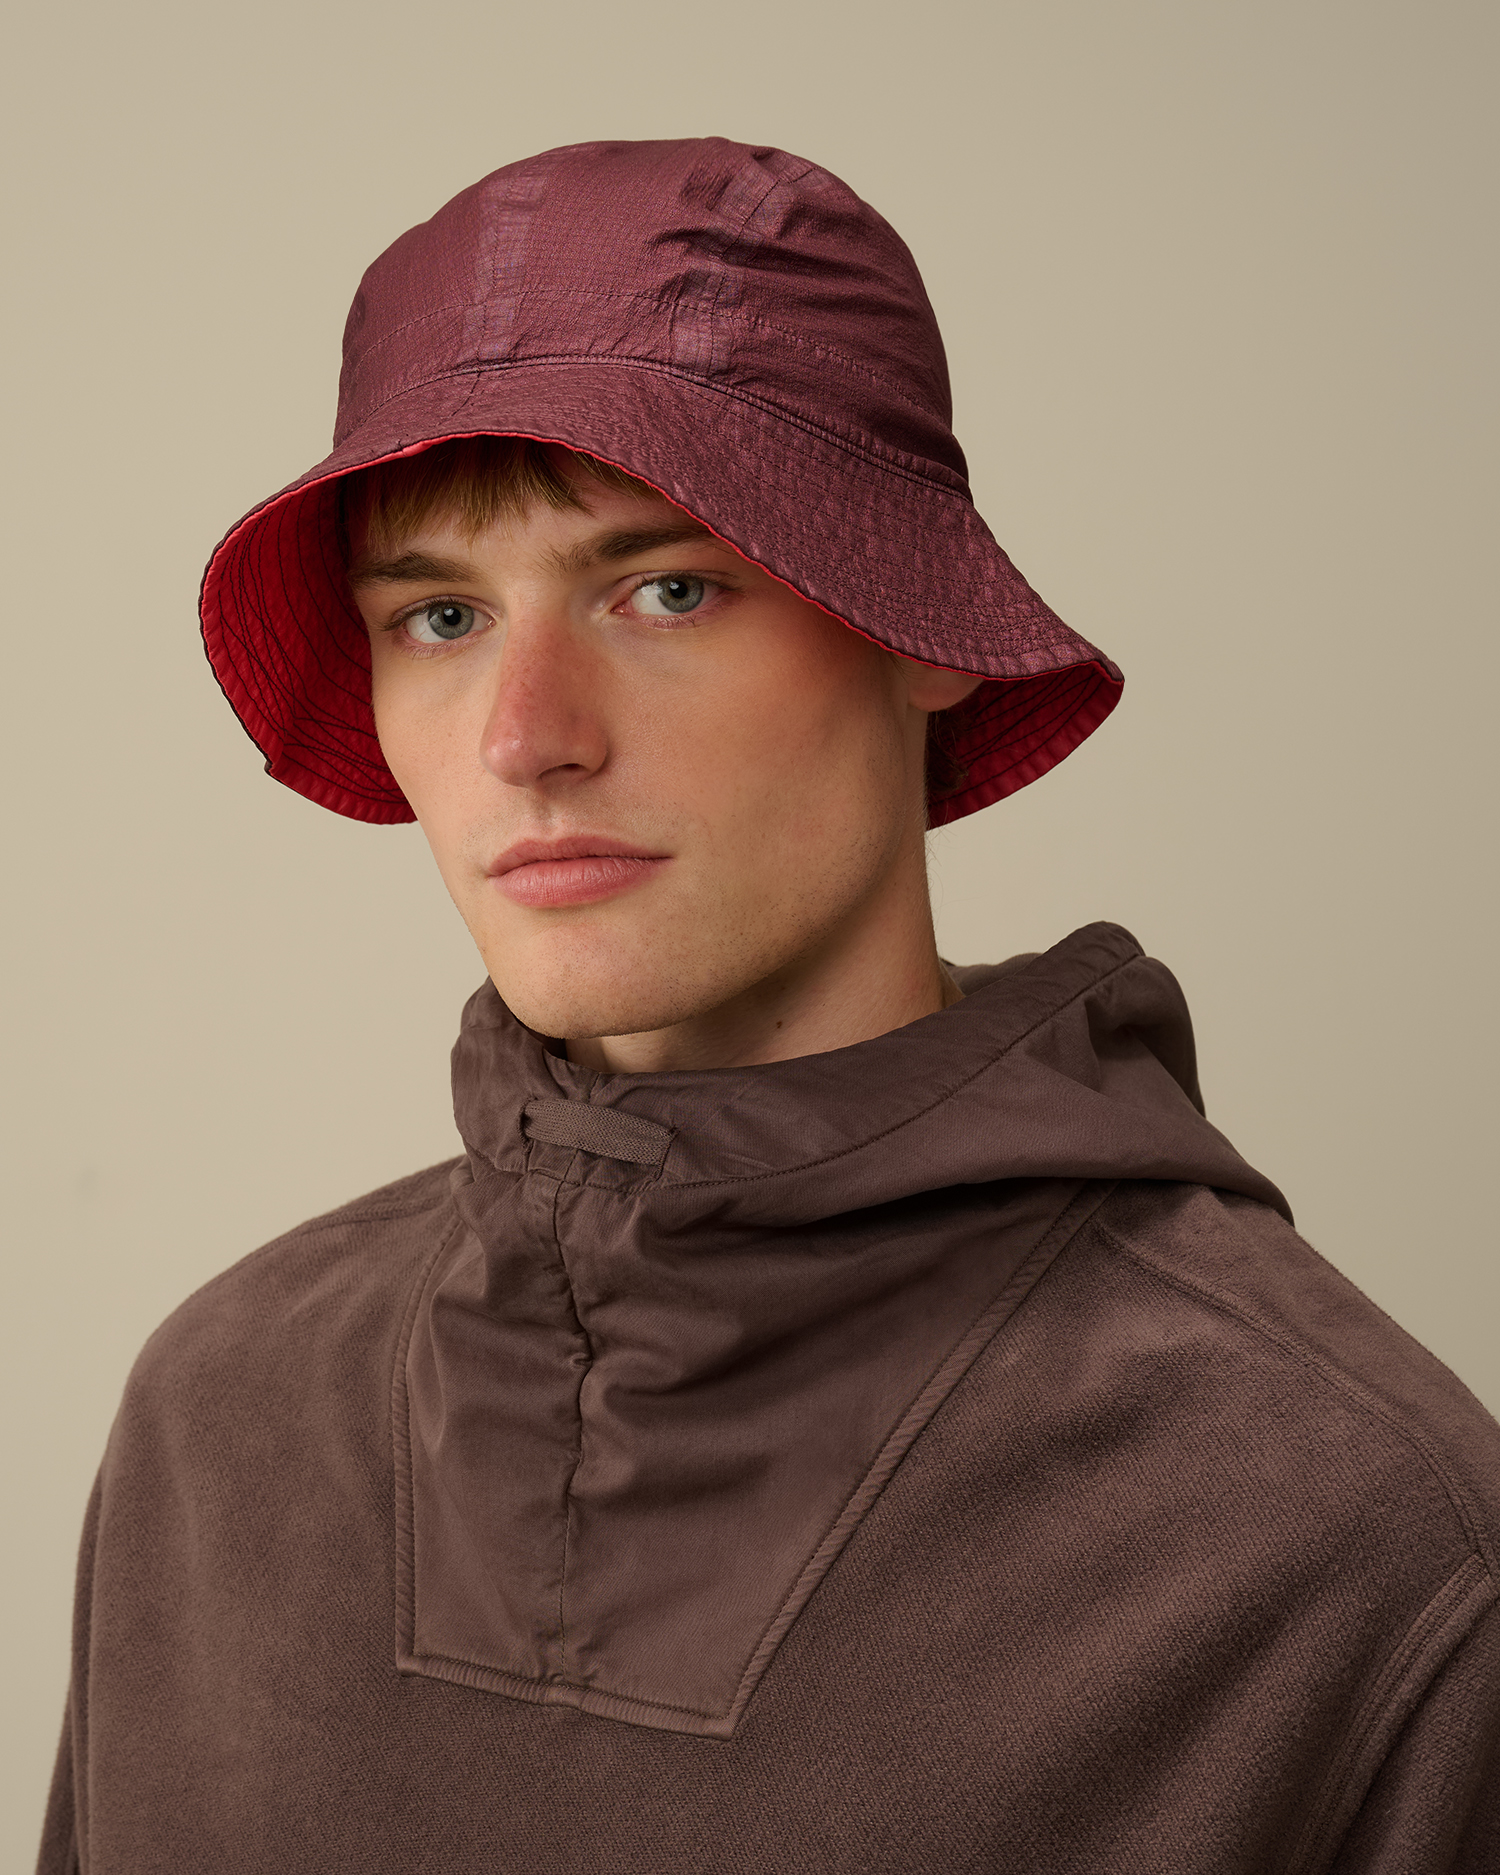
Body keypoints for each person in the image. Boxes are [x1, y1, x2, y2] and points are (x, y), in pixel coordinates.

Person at [40, 137, 1500, 1873]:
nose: (526, 736)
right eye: (438, 615)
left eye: (667, 588)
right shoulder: (224, 1423)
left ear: (920, 622)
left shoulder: (1343, 1537)